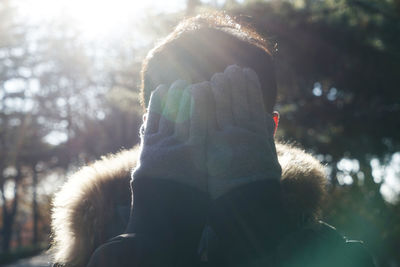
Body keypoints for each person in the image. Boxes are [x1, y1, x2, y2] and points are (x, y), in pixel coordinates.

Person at [51, 12, 375, 267]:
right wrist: (155, 226)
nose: (205, 133)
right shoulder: (86, 251)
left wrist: (257, 214)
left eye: (227, 116)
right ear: (150, 130)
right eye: (188, 116)